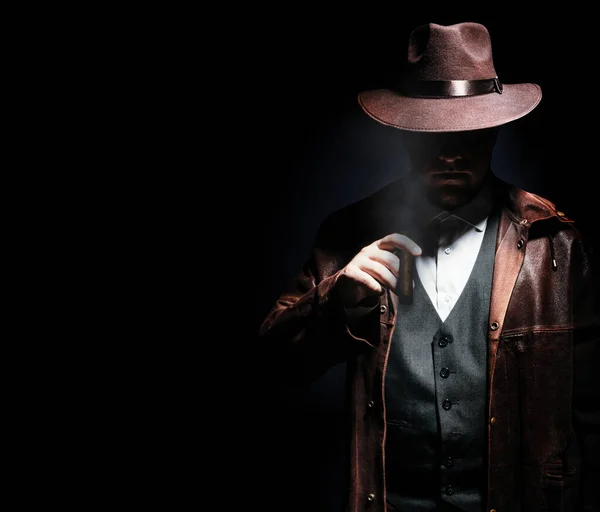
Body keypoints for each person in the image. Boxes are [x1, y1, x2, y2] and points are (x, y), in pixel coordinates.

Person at [258, 21, 599, 512]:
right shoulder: (348, 232)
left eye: (471, 132)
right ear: (404, 135)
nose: (451, 152)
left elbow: (592, 413)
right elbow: (272, 363)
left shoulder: (558, 245)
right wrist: (337, 300)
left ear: (496, 129)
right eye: (431, 136)